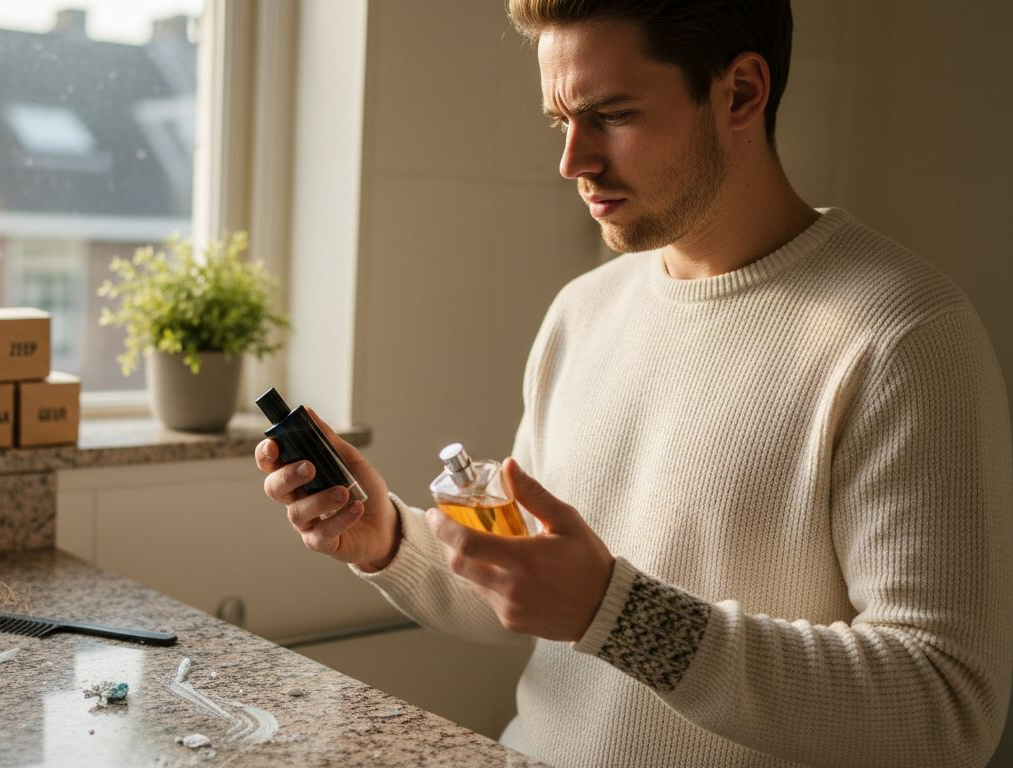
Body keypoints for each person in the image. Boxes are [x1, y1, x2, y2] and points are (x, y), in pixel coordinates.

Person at [255, 0, 1013, 765]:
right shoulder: (583, 310)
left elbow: (947, 709)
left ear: (742, 93)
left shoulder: (904, 336)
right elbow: (536, 592)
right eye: (561, 122)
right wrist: (384, 537)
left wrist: (617, 613)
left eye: (611, 114)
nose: (572, 161)